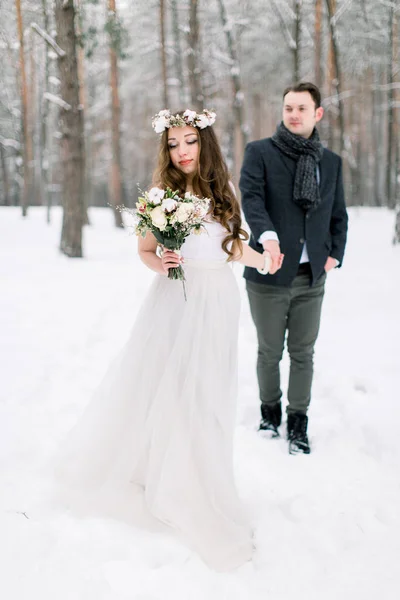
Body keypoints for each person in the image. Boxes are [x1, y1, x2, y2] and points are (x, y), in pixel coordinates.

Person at [54, 109, 277, 571]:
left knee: (206, 394)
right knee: (169, 387)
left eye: (190, 141)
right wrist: (164, 260)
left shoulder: (223, 192)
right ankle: (165, 476)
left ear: (204, 142)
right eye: (174, 144)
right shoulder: (160, 195)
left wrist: (262, 261)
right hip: (177, 302)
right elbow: (145, 251)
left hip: (217, 301)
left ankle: (199, 472)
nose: (182, 151)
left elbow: (230, 246)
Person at [239, 82, 348, 455]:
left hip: (311, 277)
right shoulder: (260, 153)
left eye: (302, 108)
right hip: (269, 274)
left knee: (303, 353)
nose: (294, 115)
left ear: (317, 113)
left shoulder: (330, 162)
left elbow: (338, 213)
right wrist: (266, 235)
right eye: (288, 108)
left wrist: (335, 252)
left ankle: (298, 421)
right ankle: (269, 415)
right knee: (269, 352)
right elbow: (251, 200)